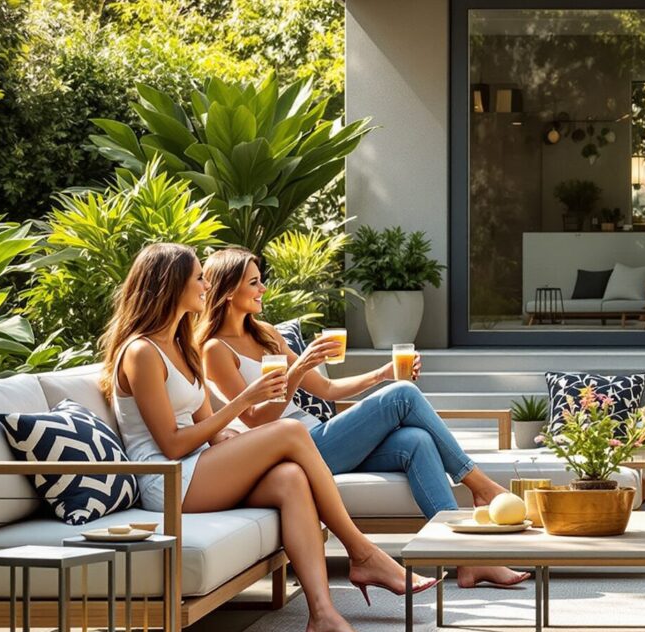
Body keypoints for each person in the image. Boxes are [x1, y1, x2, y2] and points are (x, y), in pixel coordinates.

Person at [103, 242, 436, 632]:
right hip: (166, 482)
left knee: (290, 479)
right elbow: (171, 446)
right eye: (198, 278)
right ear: (171, 286)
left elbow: (207, 428)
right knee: (292, 433)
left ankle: (323, 614)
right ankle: (361, 551)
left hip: (197, 466)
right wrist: (246, 404)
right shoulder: (141, 352)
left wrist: (238, 442)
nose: (206, 285)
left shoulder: (182, 346)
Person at [197, 246, 530, 589]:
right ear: (228, 290)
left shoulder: (265, 333)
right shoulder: (215, 350)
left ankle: (467, 559)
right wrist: (298, 368)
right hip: (292, 450)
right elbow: (255, 420)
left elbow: (325, 388)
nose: (263, 288)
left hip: (319, 437)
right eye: (254, 283)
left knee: (417, 440)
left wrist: (382, 374)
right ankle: (480, 485)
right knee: (403, 395)